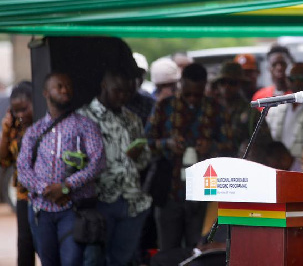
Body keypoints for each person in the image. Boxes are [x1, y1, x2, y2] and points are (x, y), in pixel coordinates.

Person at [16, 72, 105, 265]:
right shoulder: (35, 130)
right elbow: (22, 168)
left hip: (73, 209)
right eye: (59, 86)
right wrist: (45, 190)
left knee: (72, 260)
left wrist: (66, 186)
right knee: (49, 262)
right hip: (41, 210)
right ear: (46, 93)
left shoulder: (86, 126)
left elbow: (97, 163)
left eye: (68, 87)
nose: (65, 90)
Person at [145, 63, 224, 251]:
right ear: (181, 84)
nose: (192, 99)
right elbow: (145, 142)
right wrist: (167, 144)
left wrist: (211, 146)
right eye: (188, 93)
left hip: (204, 192)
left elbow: (232, 147)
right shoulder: (164, 107)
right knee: (167, 249)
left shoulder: (215, 109)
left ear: (205, 86)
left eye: (197, 94)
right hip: (170, 190)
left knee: (198, 248)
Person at [78, 68, 152, 265]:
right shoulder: (84, 118)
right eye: (117, 91)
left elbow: (144, 161)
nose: (123, 96)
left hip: (131, 202)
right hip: (99, 201)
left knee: (123, 260)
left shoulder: (132, 119)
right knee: (94, 259)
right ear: (104, 86)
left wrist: (138, 156)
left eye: (127, 92)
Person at [0, 82, 35, 266]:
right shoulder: (14, 127)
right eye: (16, 111)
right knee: (24, 242)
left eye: (24, 109)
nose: (20, 115)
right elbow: (4, 161)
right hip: (23, 194)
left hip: (46, 194)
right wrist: (6, 132)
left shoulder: (43, 124)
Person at [213, 61, 271, 157]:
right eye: (223, 82)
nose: (226, 87)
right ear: (218, 85)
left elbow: (266, 144)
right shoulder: (210, 110)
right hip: (212, 165)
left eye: (232, 83)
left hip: (241, 165)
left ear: (240, 84)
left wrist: (252, 148)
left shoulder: (252, 114)